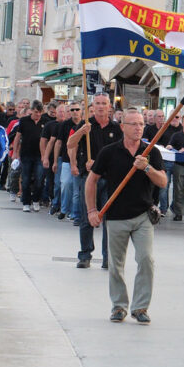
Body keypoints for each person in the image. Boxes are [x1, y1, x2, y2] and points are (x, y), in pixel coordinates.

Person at [86, 108, 166, 325]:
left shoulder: (151, 151)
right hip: (116, 217)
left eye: (141, 124)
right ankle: (119, 306)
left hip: (143, 216)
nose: (138, 128)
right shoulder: (109, 152)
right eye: (133, 124)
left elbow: (163, 181)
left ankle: (140, 307)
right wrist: (92, 210)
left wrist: (146, 167)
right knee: (116, 264)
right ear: (123, 127)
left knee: (146, 260)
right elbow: (91, 181)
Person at [68, 92, 123, 269]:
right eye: (97, 103)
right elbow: (70, 144)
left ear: (109, 106)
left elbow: (121, 152)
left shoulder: (116, 128)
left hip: (109, 178)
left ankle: (108, 257)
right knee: (87, 217)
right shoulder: (86, 125)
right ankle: (85, 255)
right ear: (92, 106)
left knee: (109, 219)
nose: (100, 106)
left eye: (103, 103)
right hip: (89, 179)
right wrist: (81, 133)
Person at [12, 100, 46, 212]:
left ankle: (36, 200)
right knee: (25, 179)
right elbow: (17, 137)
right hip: (26, 155)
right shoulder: (24, 121)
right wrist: (15, 153)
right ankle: (26, 202)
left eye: (40, 112)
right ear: (31, 110)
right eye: (36, 112)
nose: (38, 115)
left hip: (40, 155)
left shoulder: (45, 121)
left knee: (39, 179)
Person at [56, 102, 81, 221]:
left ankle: (73, 211)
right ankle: (64, 209)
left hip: (81, 160)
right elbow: (58, 142)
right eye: (72, 110)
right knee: (66, 184)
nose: (75, 112)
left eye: (77, 109)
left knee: (77, 188)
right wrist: (55, 160)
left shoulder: (85, 124)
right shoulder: (65, 124)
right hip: (66, 159)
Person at [167, 113, 184, 221]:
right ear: (182, 123)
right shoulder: (176, 135)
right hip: (179, 164)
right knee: (178, 190)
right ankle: (178, 212)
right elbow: (170, 145)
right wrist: (169, 146)